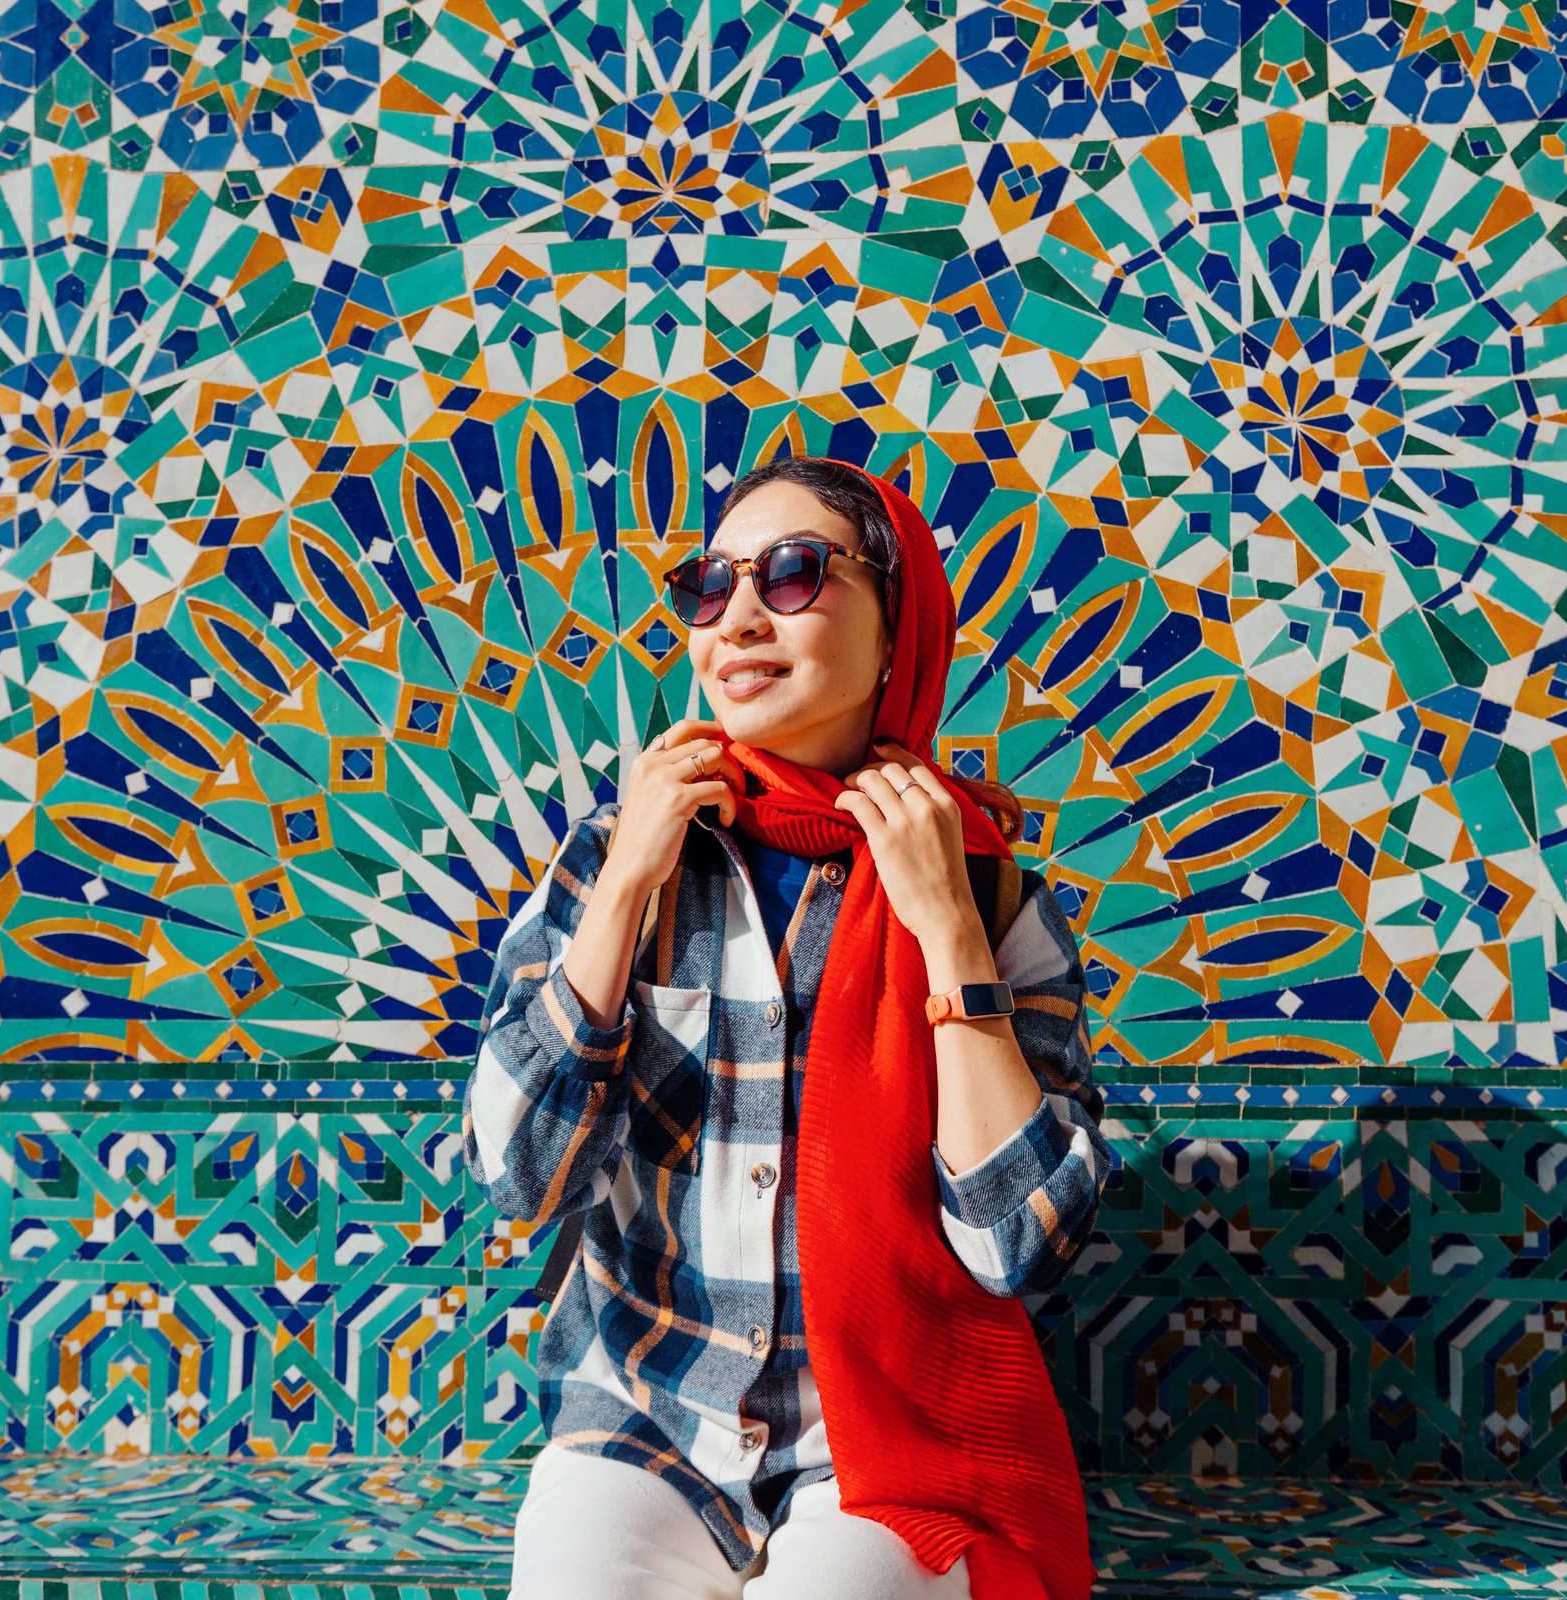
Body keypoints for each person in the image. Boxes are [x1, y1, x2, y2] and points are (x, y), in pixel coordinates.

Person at [464, 456, 1110, 1600]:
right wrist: (621, 889)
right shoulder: (622, 856)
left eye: (797, 575)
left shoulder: (986, 890)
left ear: (896, 626)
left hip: (887, 1440)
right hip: (644, 1417)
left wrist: (946, 930)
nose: (741, 618)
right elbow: (517, 1174)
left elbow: (1021, 1247)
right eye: (712, 585)